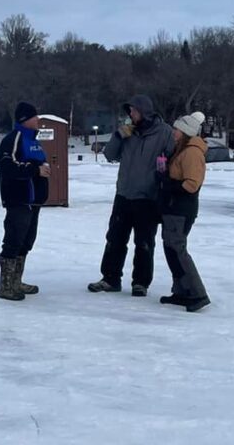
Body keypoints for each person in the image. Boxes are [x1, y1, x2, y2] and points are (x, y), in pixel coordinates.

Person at [88, 95, 174, 296]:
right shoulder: (127, 132)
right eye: (130, 111)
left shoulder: (164, 133)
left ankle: (141, 282)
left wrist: (163, 174)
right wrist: (118, 136)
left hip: (148, 197)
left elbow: (171, 157)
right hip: (124, 194)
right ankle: (110, 278)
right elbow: (110, 155)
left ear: (144, 112)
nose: (130, 115)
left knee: (144, 242)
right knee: (115, 238)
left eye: (133, 111)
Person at [0, 102, 51, 301]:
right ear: (25, 120)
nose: (38, 120)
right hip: (18, 199)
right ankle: (6, 285)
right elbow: (6, 166)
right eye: (34, 117)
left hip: (33, 201)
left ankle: (16, 280)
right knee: (14, 238)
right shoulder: (13, 139)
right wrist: (35, 170)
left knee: (27, 241)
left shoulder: (33, 139)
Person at [158, 111, 210, 312]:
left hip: (181, 209)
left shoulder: (192, 152)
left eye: (177, 129)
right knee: (171, 249)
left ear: (186, 131)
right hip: (173, 208)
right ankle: (182, 291)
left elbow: (191, 184)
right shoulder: (181, 149)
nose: (173, 132)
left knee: (177, 250)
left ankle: (197, 293)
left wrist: (168, 185)